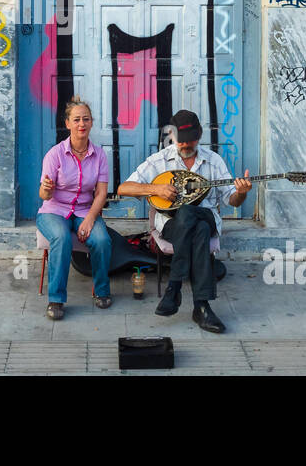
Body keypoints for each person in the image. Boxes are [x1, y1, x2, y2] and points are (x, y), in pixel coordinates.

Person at [117, 110, 251, 333]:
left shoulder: (213, 161)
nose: (186, 145)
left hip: (207, 218)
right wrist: (156, 188)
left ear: (199, 137)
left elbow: (232, 200)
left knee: (192, 215)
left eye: (191, 140)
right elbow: (124, 187)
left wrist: (242, 192)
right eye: (181, 141)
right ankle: (202, 307)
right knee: (193, 224)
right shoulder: (160, 160)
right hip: (173, 223)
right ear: (172, 136)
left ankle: (174, 288)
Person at [37, 96, 113, 320]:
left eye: (86, 119)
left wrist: (90, 219)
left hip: (83, 210)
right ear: (68, 123)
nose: (82, 124)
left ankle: (102, 291)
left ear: (91, 123)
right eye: (77, 119)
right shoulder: (55, 154)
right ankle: (56, 300)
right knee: (61, 237)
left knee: (101, 240)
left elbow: (101, 193)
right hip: (54, 210)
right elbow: (43, 194)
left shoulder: (99, 155)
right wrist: (47, 189)